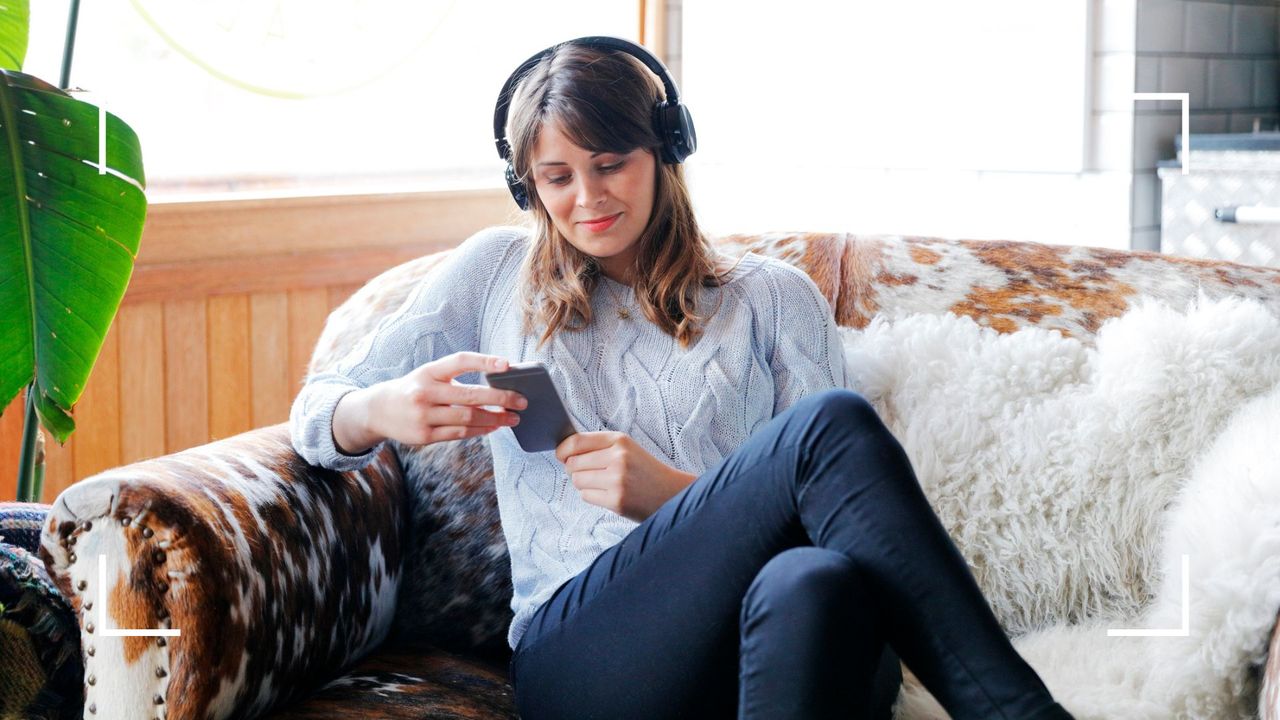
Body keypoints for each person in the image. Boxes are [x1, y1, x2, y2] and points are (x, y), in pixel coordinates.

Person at [288, 36, 1075, 720]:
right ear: (527, 185)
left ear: (664, 150)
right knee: (829, 426)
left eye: (610, 164)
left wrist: (670, 497)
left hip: (775, 637)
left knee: (814, 580)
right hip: (591, 657)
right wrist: (380, 408)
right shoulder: (495, 275)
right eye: (557, 177)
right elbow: (315, 412)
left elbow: (843, 528)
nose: (587, 198)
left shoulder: (772, 299)